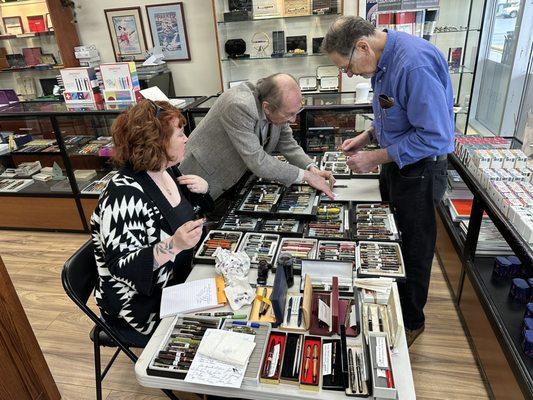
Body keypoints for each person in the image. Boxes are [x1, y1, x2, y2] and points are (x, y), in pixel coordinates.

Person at [322, 17, 454, 346]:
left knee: (414, 246)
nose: (349, 74)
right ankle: (390, 302)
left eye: (346, 66)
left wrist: (375, 157)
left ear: (362, 47)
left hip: (420, 169)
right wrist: (368, 135)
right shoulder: (383, 63)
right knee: (393, 239)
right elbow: (393, 110)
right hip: (398, 162)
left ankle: (411, 322)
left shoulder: (413, 66)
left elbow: (435, 137)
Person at [91, 100, 214, 347]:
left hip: (181, 280)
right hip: (141, 308)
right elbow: (122, 267)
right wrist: (174, 245)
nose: (186, 139)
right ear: (157, 142)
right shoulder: (123, 195)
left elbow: (190, 217)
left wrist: (202, 191)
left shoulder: (166, 170)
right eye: (180, 133)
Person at [179, 73, 334, 215]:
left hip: (237, 178)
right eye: (289, 114)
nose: (293, 120)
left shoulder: (277, 106)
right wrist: (305, 176)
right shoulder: (239, 105)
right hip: (204, 175)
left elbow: (287, 143)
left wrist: (311, 168)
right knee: (192, 227)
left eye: (296, 112)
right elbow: (258, 162)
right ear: (266, 107)